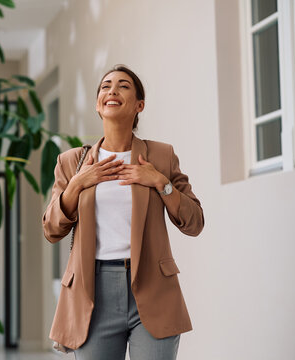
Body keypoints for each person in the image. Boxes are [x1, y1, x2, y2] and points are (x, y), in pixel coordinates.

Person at [42, 65, 204, 360]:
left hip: (154, 289)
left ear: (139, 105)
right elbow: (51, 229)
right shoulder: (71, 162)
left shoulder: (161, 156)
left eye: (123, 85)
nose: (112, 90)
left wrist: (161, 182)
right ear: (97, 104)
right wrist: (77, 185)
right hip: (93, 294)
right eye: (105, 86)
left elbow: (194, 223)